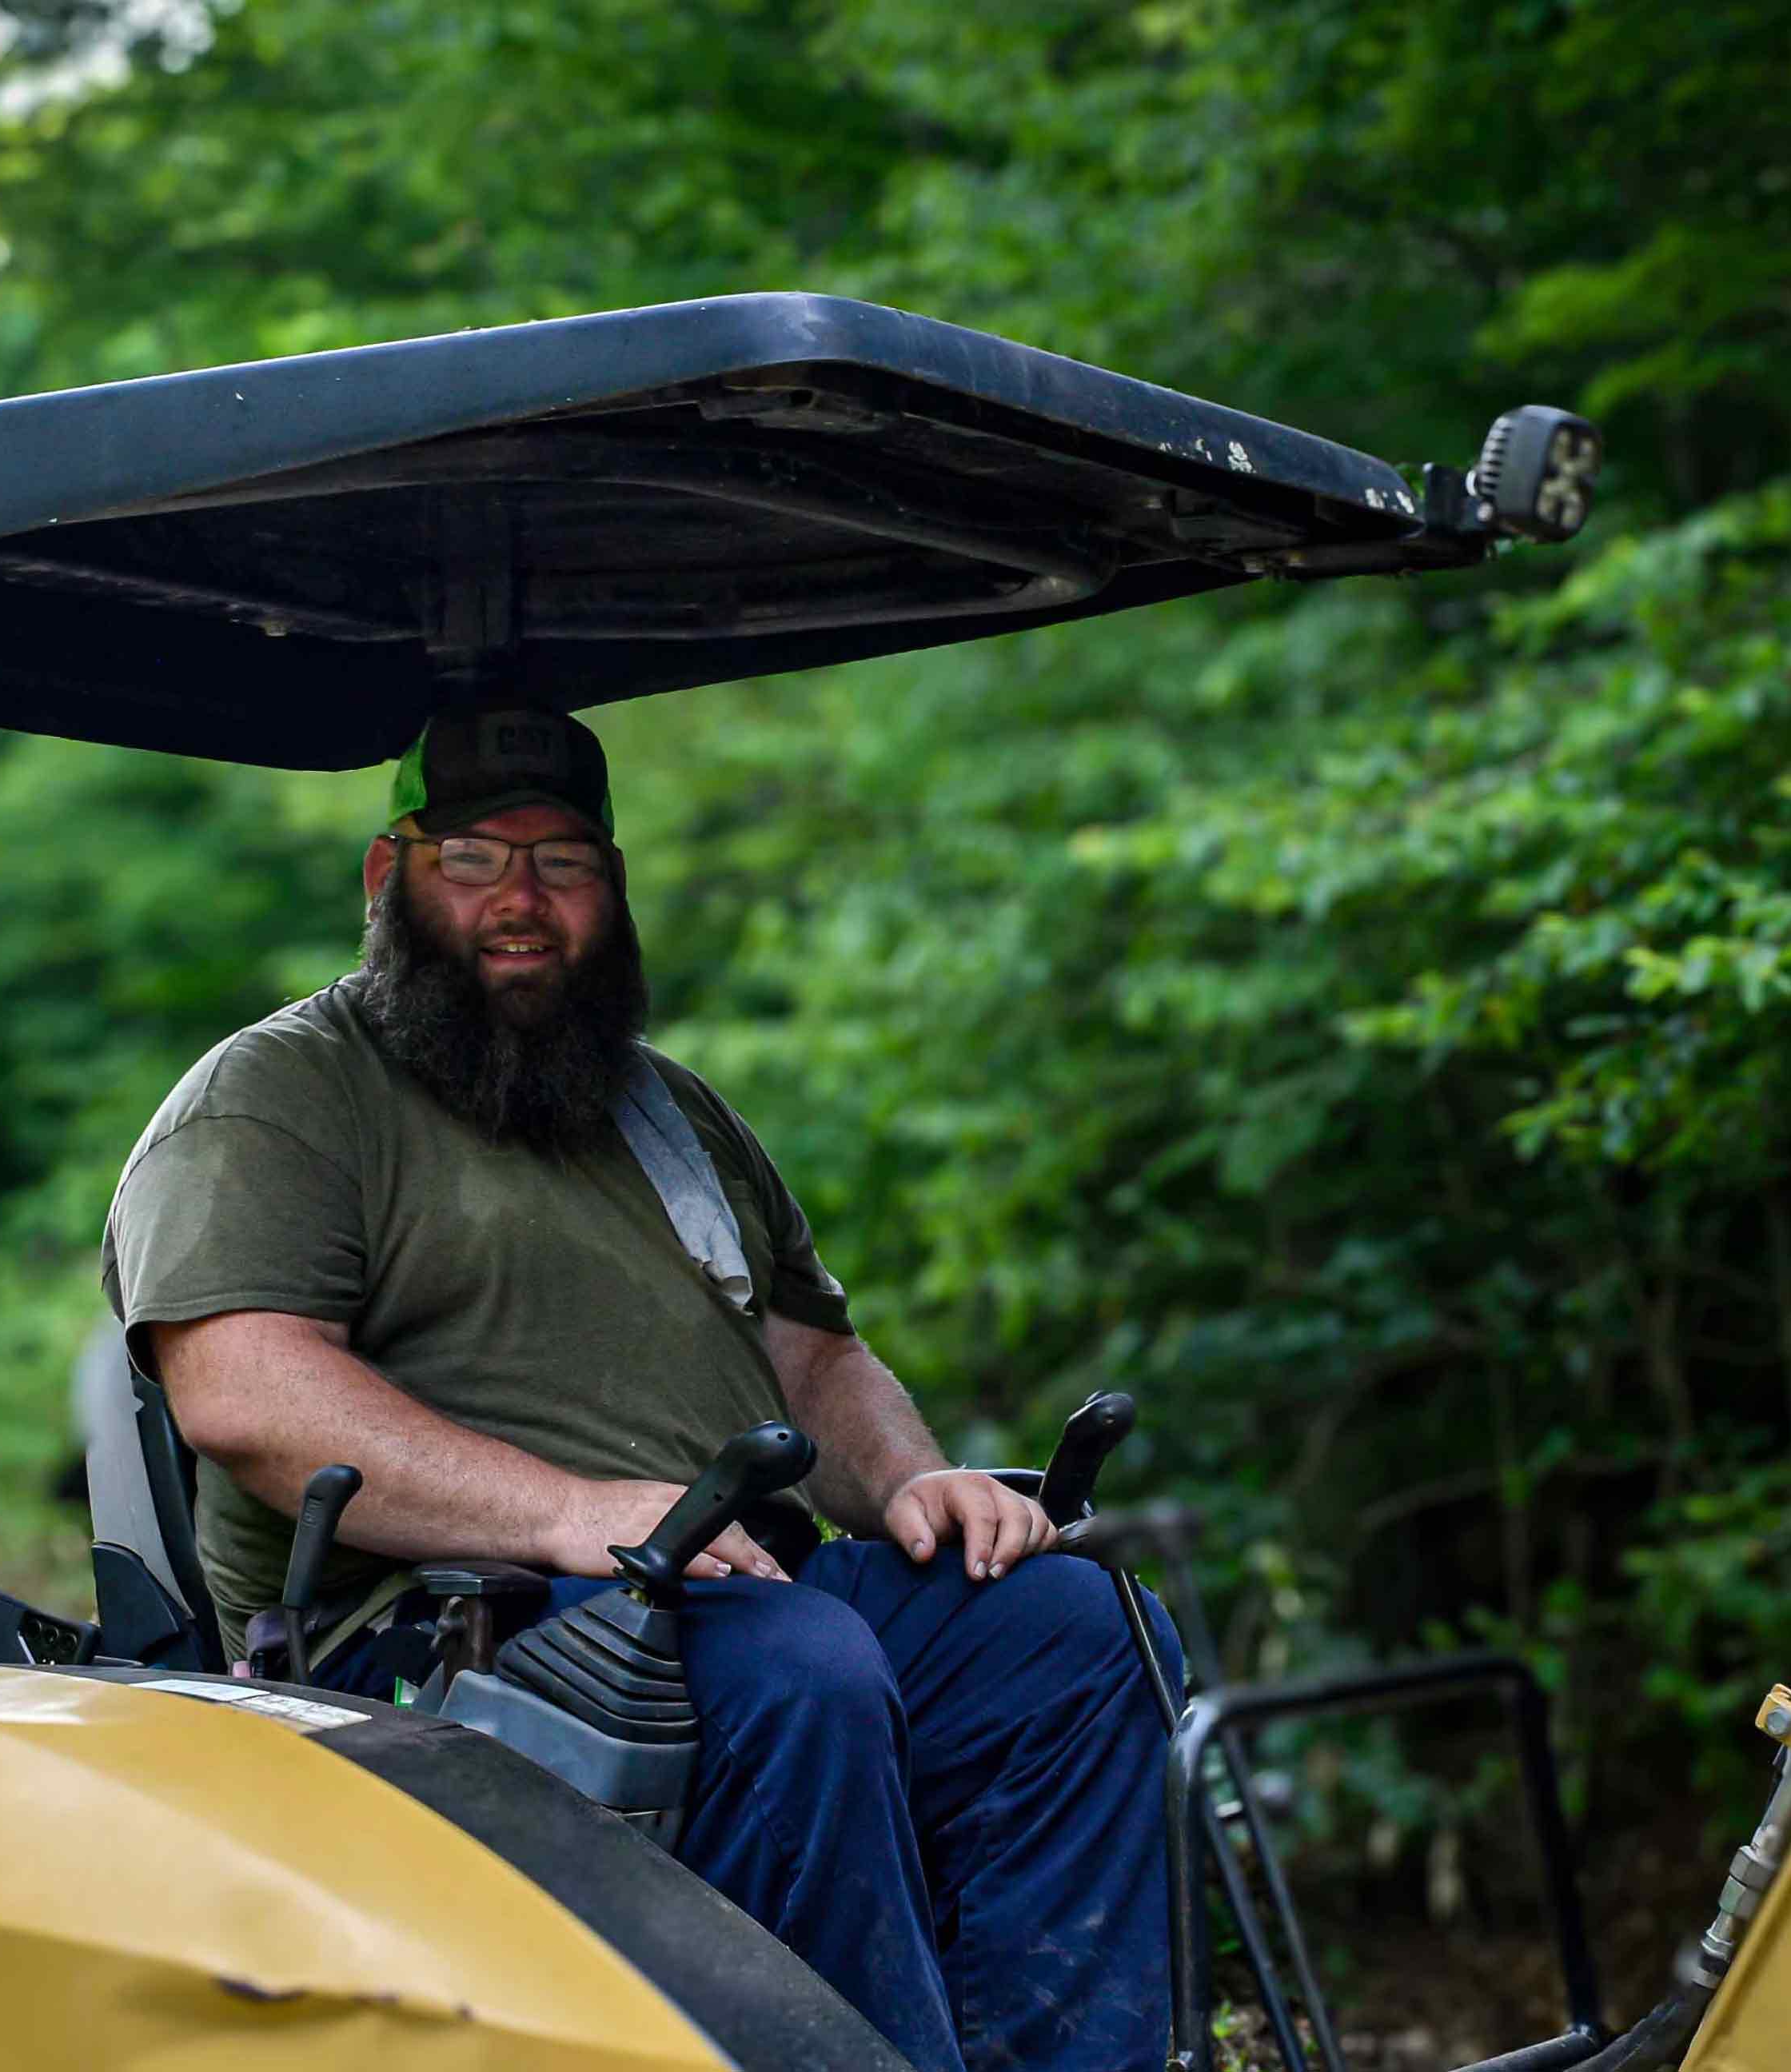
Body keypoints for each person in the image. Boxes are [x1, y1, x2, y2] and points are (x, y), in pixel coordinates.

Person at [102, 706, 1174, 2072]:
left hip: (731, 1588)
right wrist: (567, 1512)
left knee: (1075, 1632)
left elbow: (815, 1357)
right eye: (476, 858)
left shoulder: (664, 1109)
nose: (522, 904)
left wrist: (912, 1483)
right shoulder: (277, 1098)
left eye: (564, 864)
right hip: (426, 1638)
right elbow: (245, 1392)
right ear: (388, 877)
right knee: (796, 1676)